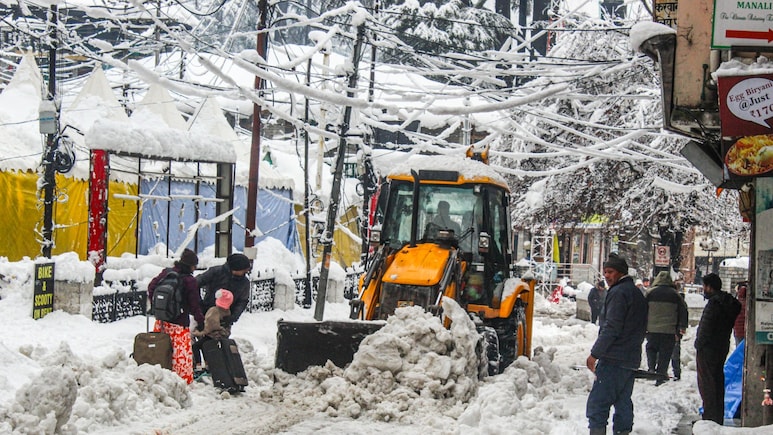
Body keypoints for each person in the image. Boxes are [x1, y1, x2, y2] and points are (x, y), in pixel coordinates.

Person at [586, 253, 648, 435]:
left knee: (597, 405)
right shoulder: (636, 293)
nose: (606, 275)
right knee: (623, 403)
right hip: (630, 359)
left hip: (614, 358)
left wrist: (595, 354)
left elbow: (612, 327)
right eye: (605, 272)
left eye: (610, 271)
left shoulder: (619, 292)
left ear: (620, 272)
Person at [147, 248, 205, 384]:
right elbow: (194, 304)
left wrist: (158, 306)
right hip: (179, 323)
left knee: (161, 350)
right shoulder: (189, 281)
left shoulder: (166, 273)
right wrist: (200, 320)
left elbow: (151, 287)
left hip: (161, 321)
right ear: (191, 265)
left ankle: (159, 376)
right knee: (180, 356)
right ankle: (181, 381)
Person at [695, 273, 741, 424]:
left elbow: (706, 328)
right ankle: (717, 416)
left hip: (708, 349)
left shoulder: (714, 304)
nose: (704, 289)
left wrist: (698, 344)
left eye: (704, 286)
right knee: (717, 381)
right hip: (721, 347)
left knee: (707, 384)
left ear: (709, 287)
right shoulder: (729, 303)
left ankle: (709, 418)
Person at [644, 271, 688, 385]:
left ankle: (651, 368)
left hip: (651, 329)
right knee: (665, 353)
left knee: (651, 348)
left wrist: (643, 326)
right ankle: (661, 375)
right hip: (669, 331)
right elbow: (683, 312)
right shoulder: (676, 295)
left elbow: (642, 310)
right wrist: (681, 328)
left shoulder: (649, 293)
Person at [197, 253, 251, 326]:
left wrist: (233, 317)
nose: (245, 272)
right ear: (235, 268)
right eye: (243, 270)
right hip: (207, 312)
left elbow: (242, 301)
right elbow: (195, 283)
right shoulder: (216, 272)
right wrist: (200, 306)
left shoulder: (244, 283)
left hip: (225, 317)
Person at [192, 289, 233, 374]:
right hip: (222, 335)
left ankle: (198, 366)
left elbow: (210, 326)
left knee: (196, 346)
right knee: (204, 346)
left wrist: (199, 333)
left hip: (212, 335)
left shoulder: (214, 311)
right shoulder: (227, 312)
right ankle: (208, 364)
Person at [671, 291, 688, 381]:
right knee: (675, 353)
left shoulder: (675, 303)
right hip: (675, 331)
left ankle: (676, 373)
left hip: (672, 330)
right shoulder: (681, 304)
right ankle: (676, 373)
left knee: (673, 353)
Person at [733, 282, 748, 346]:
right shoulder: (749, 305)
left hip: (738, 332)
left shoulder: (736, 303)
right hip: (746, 332)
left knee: (738, 349)